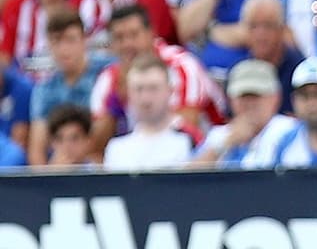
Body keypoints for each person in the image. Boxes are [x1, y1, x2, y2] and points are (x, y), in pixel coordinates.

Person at [90, 4, 223, 150]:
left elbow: (187, 128)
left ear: (151, 33)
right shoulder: (109, 77)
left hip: (201, 154)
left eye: (134, 35)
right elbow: (95, 144)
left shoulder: (182, 65)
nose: (127, 44)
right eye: (119, 38)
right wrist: (115, 103)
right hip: (140, 156)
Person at [27, 9, 113, 165]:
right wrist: (46, 178)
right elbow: (37, 147)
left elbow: (107, 126)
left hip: (101, 160)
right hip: (60, 163)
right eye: (56, 41)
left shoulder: (106, 73)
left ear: (84, 40)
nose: (63, 49)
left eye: (70, 40)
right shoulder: (44, 89)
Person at [190, 58, 294, 167]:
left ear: (275, 98)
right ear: (230, 99)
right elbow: (186, 178)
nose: (249, 104)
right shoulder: (219, 135)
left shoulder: (288, 130)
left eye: (256, 96)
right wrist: (225, 144)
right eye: (243, 96)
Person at [103, 55, 195, 170]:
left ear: (170, 91)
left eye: (153, 88)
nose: (145, 98)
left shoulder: (189, 140)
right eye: (138, 89)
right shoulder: (116, 149)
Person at [240, 0, 306, 112]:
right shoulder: (240, 71)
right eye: (254, 26)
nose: (260, 35)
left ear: (282, 30)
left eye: (268, 26)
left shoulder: (301, 71)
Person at [43, 103, 98, 169]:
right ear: (51, 143)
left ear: (88, 140)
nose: (67, 146)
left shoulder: (97, 173)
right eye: (60, 139)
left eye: (74, 138)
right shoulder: (41, 177)